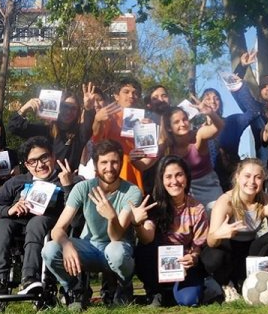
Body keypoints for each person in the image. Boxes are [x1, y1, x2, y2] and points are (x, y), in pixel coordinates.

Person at [42, 140, 148, 310]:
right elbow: (58, 228)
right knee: (50, 249)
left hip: (117, 247)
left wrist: (112, 217)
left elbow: (116, 236)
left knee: (116, 252)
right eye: (104, 162)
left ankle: (124, 286)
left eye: (114, 162)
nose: (110, 167)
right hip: (89, 248)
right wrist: (67, 244)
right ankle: (75, 290)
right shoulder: (83, 188)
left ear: (121, 163)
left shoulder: (132, 191)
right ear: (96, 166)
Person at [0, 136, 79, 297]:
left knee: (37, 222)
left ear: (53, 157)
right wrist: (8, 210)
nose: (40, 165)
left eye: (44, 157)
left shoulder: (68, 178)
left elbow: (77, 211)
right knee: (1, 223)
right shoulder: (17, 182)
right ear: (27, 165)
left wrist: (68, 187)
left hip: (50, 227)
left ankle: (30, 278)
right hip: (16, 226)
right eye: (33, 161)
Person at [200, 158, 268, 302]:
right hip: (227, 250)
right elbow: (211, 241)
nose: (252, 181)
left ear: (263, 180)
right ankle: (226, 285)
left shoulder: (267, 201)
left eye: (258, 177)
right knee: (213, 256)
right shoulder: (225, 201)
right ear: (237, 177)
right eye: (247, 176)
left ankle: (260, 280)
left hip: (249, 250)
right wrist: (219, 234)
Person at [135, 156, 208, 307]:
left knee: (189, 300)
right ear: (161, 180)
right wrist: (137, 224)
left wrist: (193, 257)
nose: (174, 181)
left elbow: (198, 244)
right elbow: (147, 237)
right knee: (143, 249)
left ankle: (174, 291)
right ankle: (155, 291)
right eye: (168, 177)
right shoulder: (153, 205)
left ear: (186, 177)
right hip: (157, 263)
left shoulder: (197, 208)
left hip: (185, 265)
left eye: (179, 175)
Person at [9, 83, 97, 170]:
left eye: (73, 108)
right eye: (64, 107)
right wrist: (24, 108)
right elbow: (14, 128)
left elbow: (87, 127)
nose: (68, 111)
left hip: (68, 181)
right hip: (43, 179)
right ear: (58, 107)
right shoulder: (45, 130)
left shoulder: (79, 134)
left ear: (78, 112)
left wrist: (89, 109)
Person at [156, 106, 223, 211]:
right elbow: (149, 159)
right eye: (176, 122)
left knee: (216, 213)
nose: (182, 124)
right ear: (169, 127)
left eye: (184, 120)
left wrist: (210, 113)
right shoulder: (167, 145)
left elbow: (218, 127)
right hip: (182, 188)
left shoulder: (198, 135)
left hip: (208, 185)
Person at [91, 78, 146, 189]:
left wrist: (148, 130)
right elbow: (97, 138)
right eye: (126, 92)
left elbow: (148, 152)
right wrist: (97, 120)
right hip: (110, 175)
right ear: (116, 96)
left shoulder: (144, 119)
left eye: (135, 93)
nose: (131, 96)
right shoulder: (109, 115)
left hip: (134, 176)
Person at [200, 87, 258, 191]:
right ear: (201, 103)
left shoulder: (232, 122)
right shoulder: (198, 132)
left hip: (233, 180)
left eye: (216, 98)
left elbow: (253, 112)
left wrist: (238, 86)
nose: (212, 101)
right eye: (207, 98)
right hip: (210, 185)